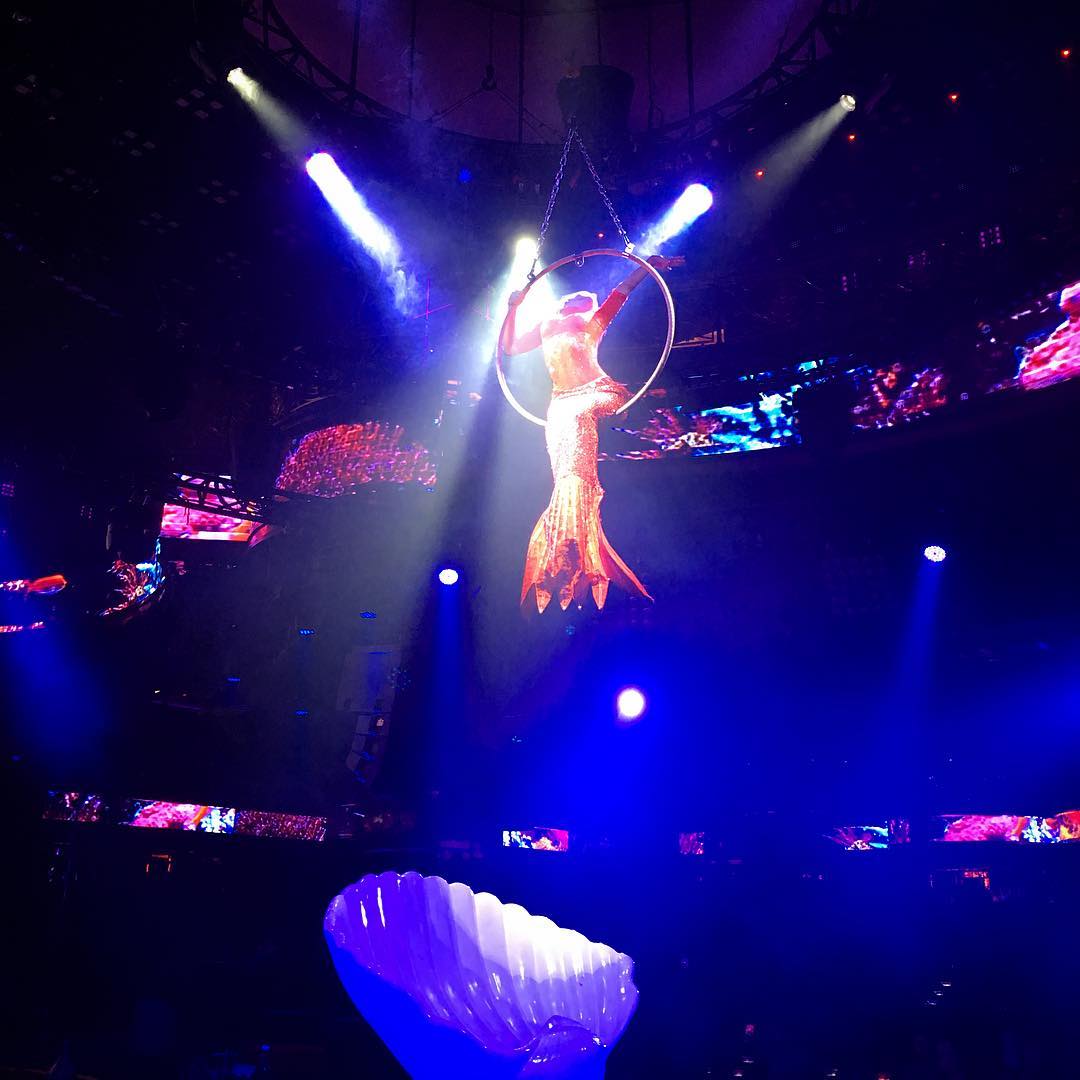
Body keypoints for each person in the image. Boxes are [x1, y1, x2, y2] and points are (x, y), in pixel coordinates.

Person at [501, 254, 682, 611]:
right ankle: (570, 544)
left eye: (584, 297)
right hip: (561, 402)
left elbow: (623, 290)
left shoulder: (593, 322)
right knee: (564, 472)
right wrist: (512, 309)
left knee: (576, 450)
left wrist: (646, 265)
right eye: (570, 296)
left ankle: (573, 536)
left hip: (595, 392)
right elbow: (509, 346)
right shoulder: (545, 326)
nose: (575, 296)